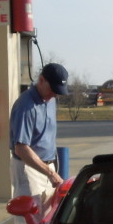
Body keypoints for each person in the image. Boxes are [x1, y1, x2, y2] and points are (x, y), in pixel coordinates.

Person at [9, 62, 69, 199]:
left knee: (48, 217)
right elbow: (21, 148)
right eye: (53, 89)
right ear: (41, 80)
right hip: (29, 169)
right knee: (29, 218)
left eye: (58, 92)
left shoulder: (50, 100)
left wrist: (51, 170)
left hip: (49, 168)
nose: (54, 95)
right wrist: (51, 173)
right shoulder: (26, 106)